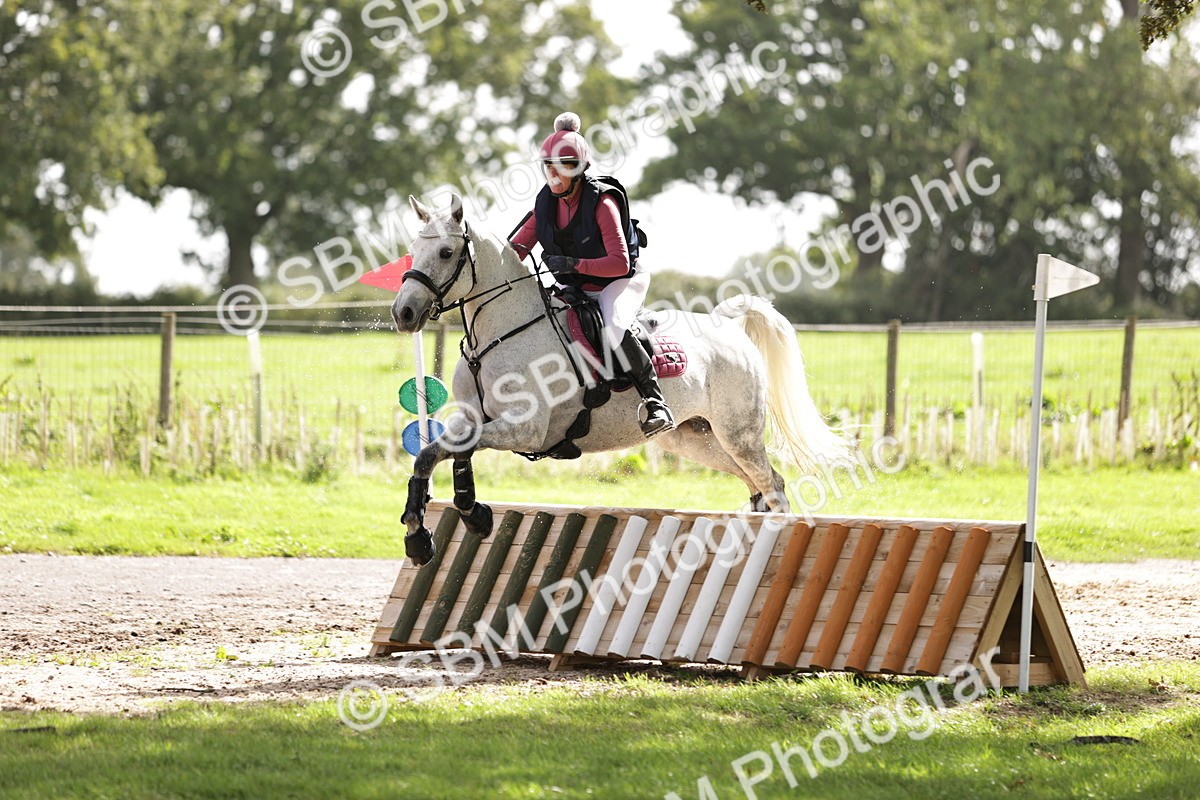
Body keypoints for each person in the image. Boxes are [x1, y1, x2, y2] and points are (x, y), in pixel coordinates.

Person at [510, 111, 675, 438]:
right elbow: (516, 250)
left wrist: (574, 265)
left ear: (580, 168)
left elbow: (618, 261)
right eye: (549, 167)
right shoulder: (544, 204)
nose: (555, 175)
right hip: (574, 285)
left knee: (612, 327)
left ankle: (656, 403)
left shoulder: (602, 202)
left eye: (564, 166)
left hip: (620, 281)